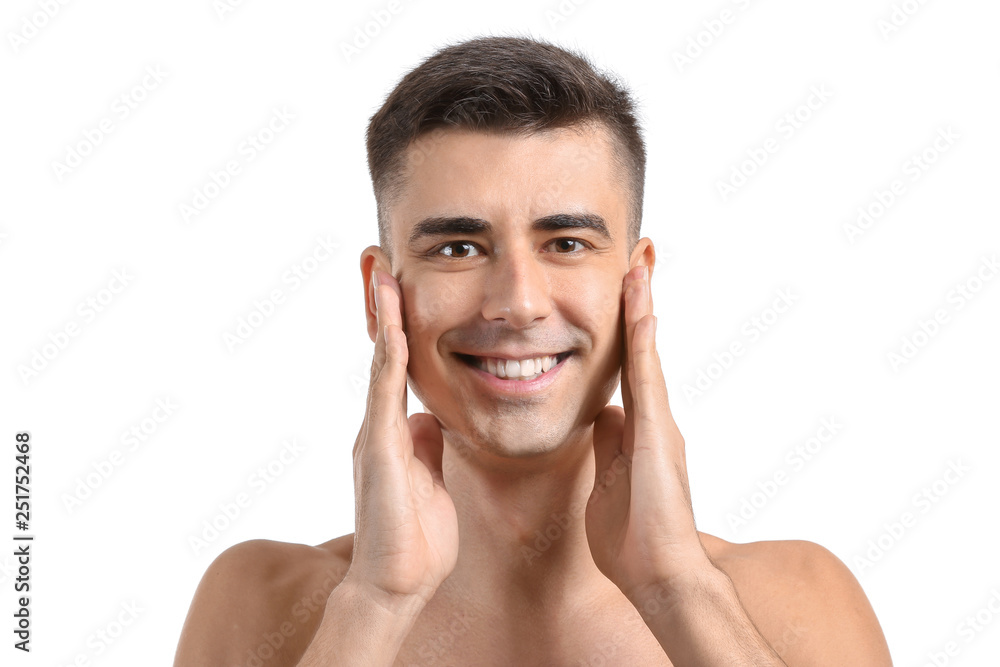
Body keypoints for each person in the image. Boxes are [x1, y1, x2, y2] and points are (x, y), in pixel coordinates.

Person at [174, 35, 893, 666]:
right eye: (459, 246)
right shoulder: (263, 602)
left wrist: (678, 590)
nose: (518, 301)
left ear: (634, 280)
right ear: (380, 295)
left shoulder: (800, 597)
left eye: (566, 243)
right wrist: (375, 602)